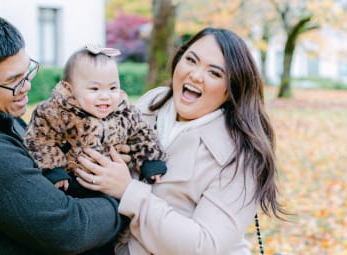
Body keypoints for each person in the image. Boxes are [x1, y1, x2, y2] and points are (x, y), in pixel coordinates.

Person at [74, 27, 286, 255]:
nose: (195, 75)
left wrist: (128, 191)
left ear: (230, 90)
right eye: (191, 60)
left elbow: (205, 246)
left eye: (214, 73)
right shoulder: (150, 104)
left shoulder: (241, 156)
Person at [0, 10, 122, 254]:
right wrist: (124, 196)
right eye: (14, 81)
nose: (27, 86)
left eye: (27, 71)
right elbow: (69, 229)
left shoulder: (0, 118)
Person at [24, 45, 167, 192]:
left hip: (112, 184)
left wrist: (150, 161)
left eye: (113, 88)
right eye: (94, 89)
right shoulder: (56, 112)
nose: (105, 96)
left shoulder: (124, 112)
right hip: (72, 183)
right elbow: (39, 139)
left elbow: (142, 134)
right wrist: (53, 169)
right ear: (69, 89)